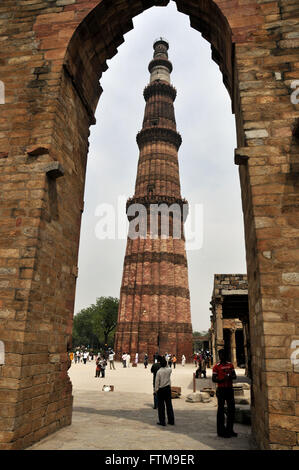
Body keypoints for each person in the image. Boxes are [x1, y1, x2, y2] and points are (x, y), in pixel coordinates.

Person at [212, 349, 237, 438]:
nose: (222, 356)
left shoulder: (230, 365)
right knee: (221, 410)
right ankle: (221, 431)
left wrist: (230, 376)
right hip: (221, 390)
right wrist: (223, 379)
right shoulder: (216, 367)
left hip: (229, 389)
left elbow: (235, 376)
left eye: (223, 355)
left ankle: (230, 430)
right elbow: (214, 379)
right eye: (221, 355)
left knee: (231, 410)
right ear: (219, 356)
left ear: (226, 355)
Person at [155, 356, 175, 426]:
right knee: (169, 405)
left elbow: (157, 382)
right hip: (167, 388)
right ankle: (171, 420)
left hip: (161, 390)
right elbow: (168, 367)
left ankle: (162, 421)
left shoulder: (159, 372)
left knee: (161, 406)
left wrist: (156, 390)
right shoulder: (169, 370)